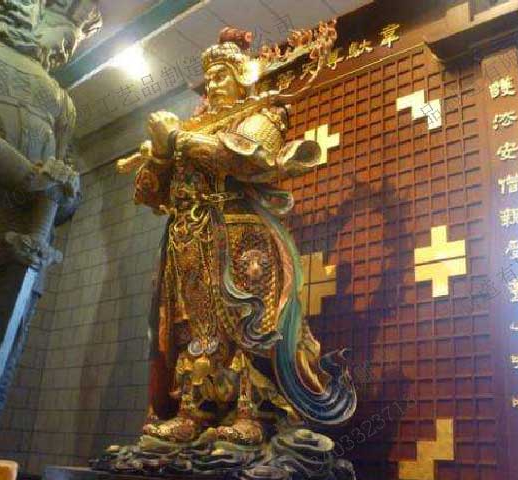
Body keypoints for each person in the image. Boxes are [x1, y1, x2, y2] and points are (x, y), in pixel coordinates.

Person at [124, 30, 356, 446]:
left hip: (241, 233)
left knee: (249, 322)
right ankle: (193, 411)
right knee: (193, 329)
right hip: (187, 239)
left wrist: (178, 140)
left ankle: (256, 413)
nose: (213, 84)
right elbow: (147, 193)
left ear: (242, 78)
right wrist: (159, 154)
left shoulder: (265, 115)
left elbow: (246, 157)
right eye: (209, 77)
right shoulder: (192, 127)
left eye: (222, 75)